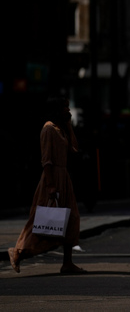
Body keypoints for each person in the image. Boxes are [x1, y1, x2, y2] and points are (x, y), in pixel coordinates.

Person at [8, 96, 85, 275]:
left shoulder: (61, 129)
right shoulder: (48, 129)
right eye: (65, 107)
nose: (68, 110)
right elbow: (47, 160)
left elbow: (74, 149)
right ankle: (18, 251)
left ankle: (67, 263)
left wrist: (69, 127)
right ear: (57, 109)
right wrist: (51, 185)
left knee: (71, 218)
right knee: (41, 220)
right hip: (52, 178)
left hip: (64, 177)